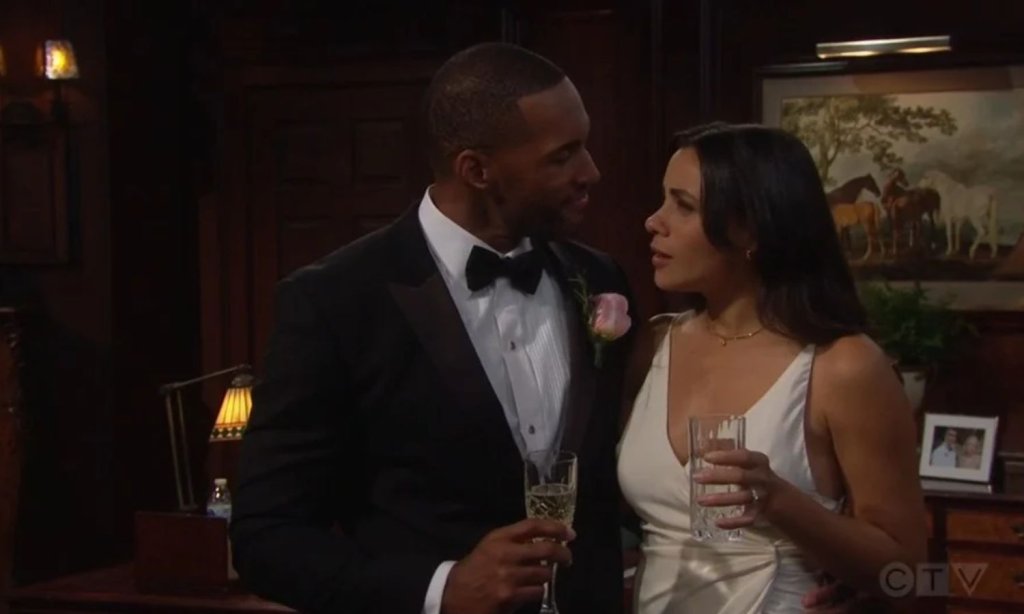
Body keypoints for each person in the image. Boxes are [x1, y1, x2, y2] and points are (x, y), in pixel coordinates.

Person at [229, 42, 635, 614]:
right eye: (562, 156)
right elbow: (266, 538)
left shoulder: (598, 278)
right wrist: (441, 588)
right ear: (476, 170)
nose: (590, 172)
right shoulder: (336, 301)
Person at [617, 122, 928, 613]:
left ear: (750, 229)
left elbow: (909, 574)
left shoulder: (842, 365)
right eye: (663, 201)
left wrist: (780, 501)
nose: (654, 221)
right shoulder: (653, 345)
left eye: (684, 206)